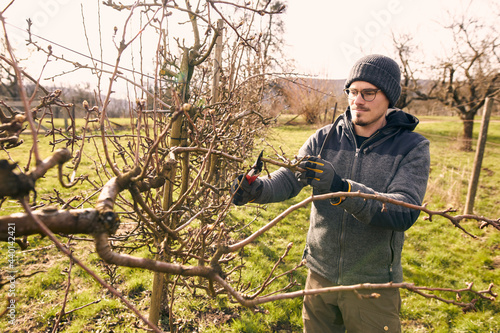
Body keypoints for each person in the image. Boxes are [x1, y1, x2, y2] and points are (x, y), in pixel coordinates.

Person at [231, 54, 431, 332]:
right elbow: (290, 178)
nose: (357, 100)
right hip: (319, 276)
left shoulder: (412, 147)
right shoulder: (325, 137)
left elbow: (403, 211)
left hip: (372, 284)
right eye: (352, 91)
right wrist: (257, 189)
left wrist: (341, 188)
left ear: (389, 98)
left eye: (368, 93)